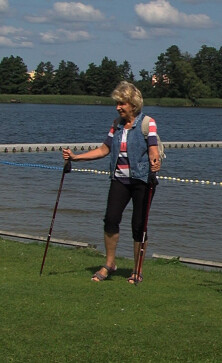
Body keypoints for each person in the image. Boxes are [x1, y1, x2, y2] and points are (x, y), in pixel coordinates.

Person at [62, 81, 161, 284]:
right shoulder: (116, 125)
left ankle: (137, 270)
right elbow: (104, 150)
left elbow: (152, 147)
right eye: (117, 103)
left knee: (139, 225)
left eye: (121, 103)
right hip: (119, 180)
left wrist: (155, 159)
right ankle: (109, 264)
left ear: (132, 104)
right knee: (110, 219)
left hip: (142, 179)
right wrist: (75, 157)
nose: (118, 107)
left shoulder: (147, 122)